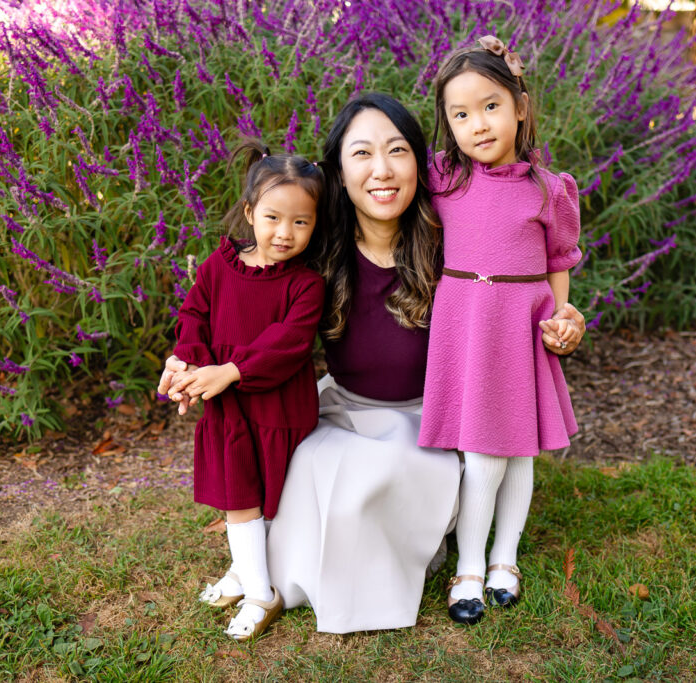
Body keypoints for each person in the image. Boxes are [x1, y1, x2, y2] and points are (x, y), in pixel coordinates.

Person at [163, 94, 586, 635]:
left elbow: (522, 273)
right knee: (308, 469)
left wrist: (560, 314)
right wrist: (187, 363)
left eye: (398, 151)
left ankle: (403, 551)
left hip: (429, 418)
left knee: (371, 479)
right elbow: (236, 309)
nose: (382, 170)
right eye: (361, 153)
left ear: (423, 163)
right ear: (338, 171)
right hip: (342, 407)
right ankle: (262, 571)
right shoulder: (314, 246)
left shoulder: (452, 238)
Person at [417, 36, 584, 626]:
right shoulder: (444, 178)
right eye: (459, 114)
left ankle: (503, 559)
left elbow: (560, 259)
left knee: (519, 454)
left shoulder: (548, 189)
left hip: (522, 326)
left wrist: (562, 319)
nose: (477, 124)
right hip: (468, 323)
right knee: (484, 454)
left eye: (491, 105)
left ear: (520, 106)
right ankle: (468, 565)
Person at [163, 141, 326, 641]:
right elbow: (194, 313)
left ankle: (252, 574)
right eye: (274, 217)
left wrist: (230, 370)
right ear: (251, 212)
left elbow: (288, 343)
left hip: (279, 408)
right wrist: (185, 362)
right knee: (239, 499)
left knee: (271, 502)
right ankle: (258, 588)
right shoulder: (220, 266)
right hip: (230, 408)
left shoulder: (305, 284)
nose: (285, 232)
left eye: (301, 222)